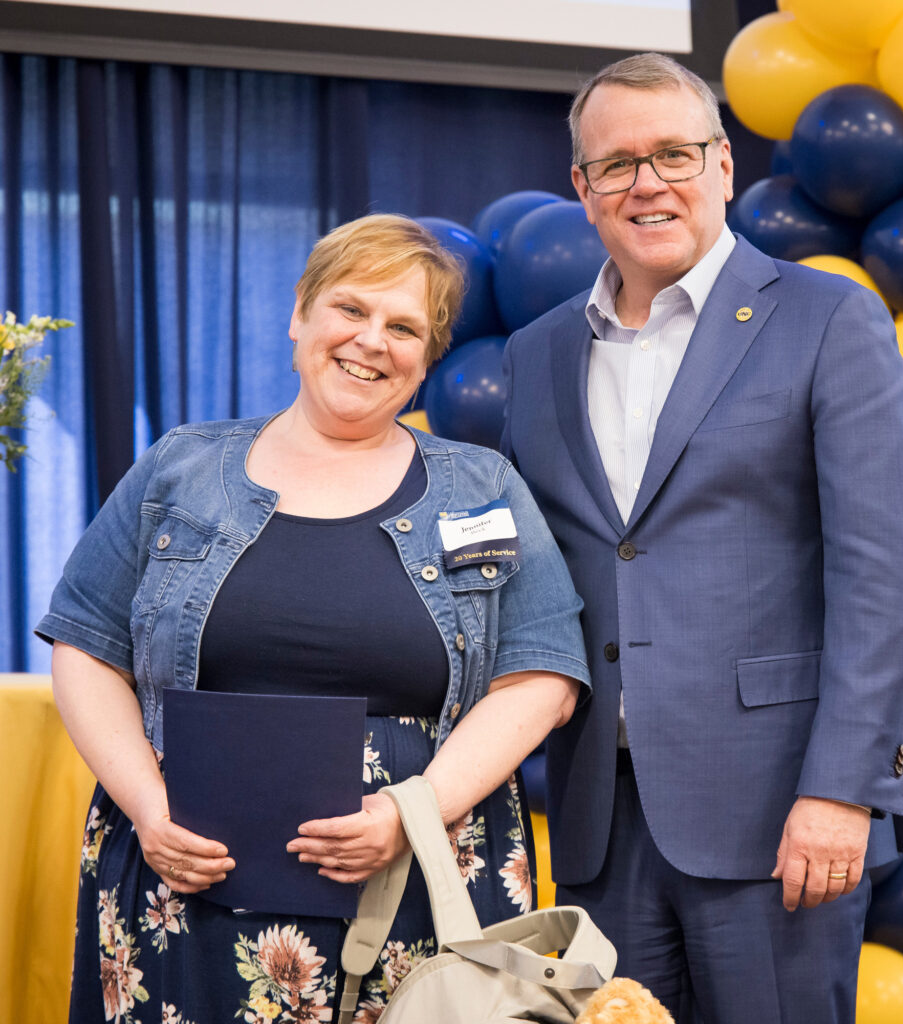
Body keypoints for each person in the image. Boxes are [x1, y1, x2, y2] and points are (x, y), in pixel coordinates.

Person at [38, 213, 590, 1024]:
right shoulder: (181, 466)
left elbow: (542, 675)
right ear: (300, 314)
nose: (371, 341)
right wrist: (151, 810)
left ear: (428, 357)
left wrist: (411, 812)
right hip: (181, 887)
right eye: (351, 309)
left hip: (420, 887)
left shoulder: (484, 487)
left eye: (404, 328)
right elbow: (87, 648)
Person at [501, 53, 903, 1023]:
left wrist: (843, 790)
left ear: (723, 165)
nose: (646, 182)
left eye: (674, 154)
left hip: (780, 813)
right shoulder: (537, 354)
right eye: (616, 164)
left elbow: (882, 578)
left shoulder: (828, 318)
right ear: (582, 188)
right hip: (598, 821)